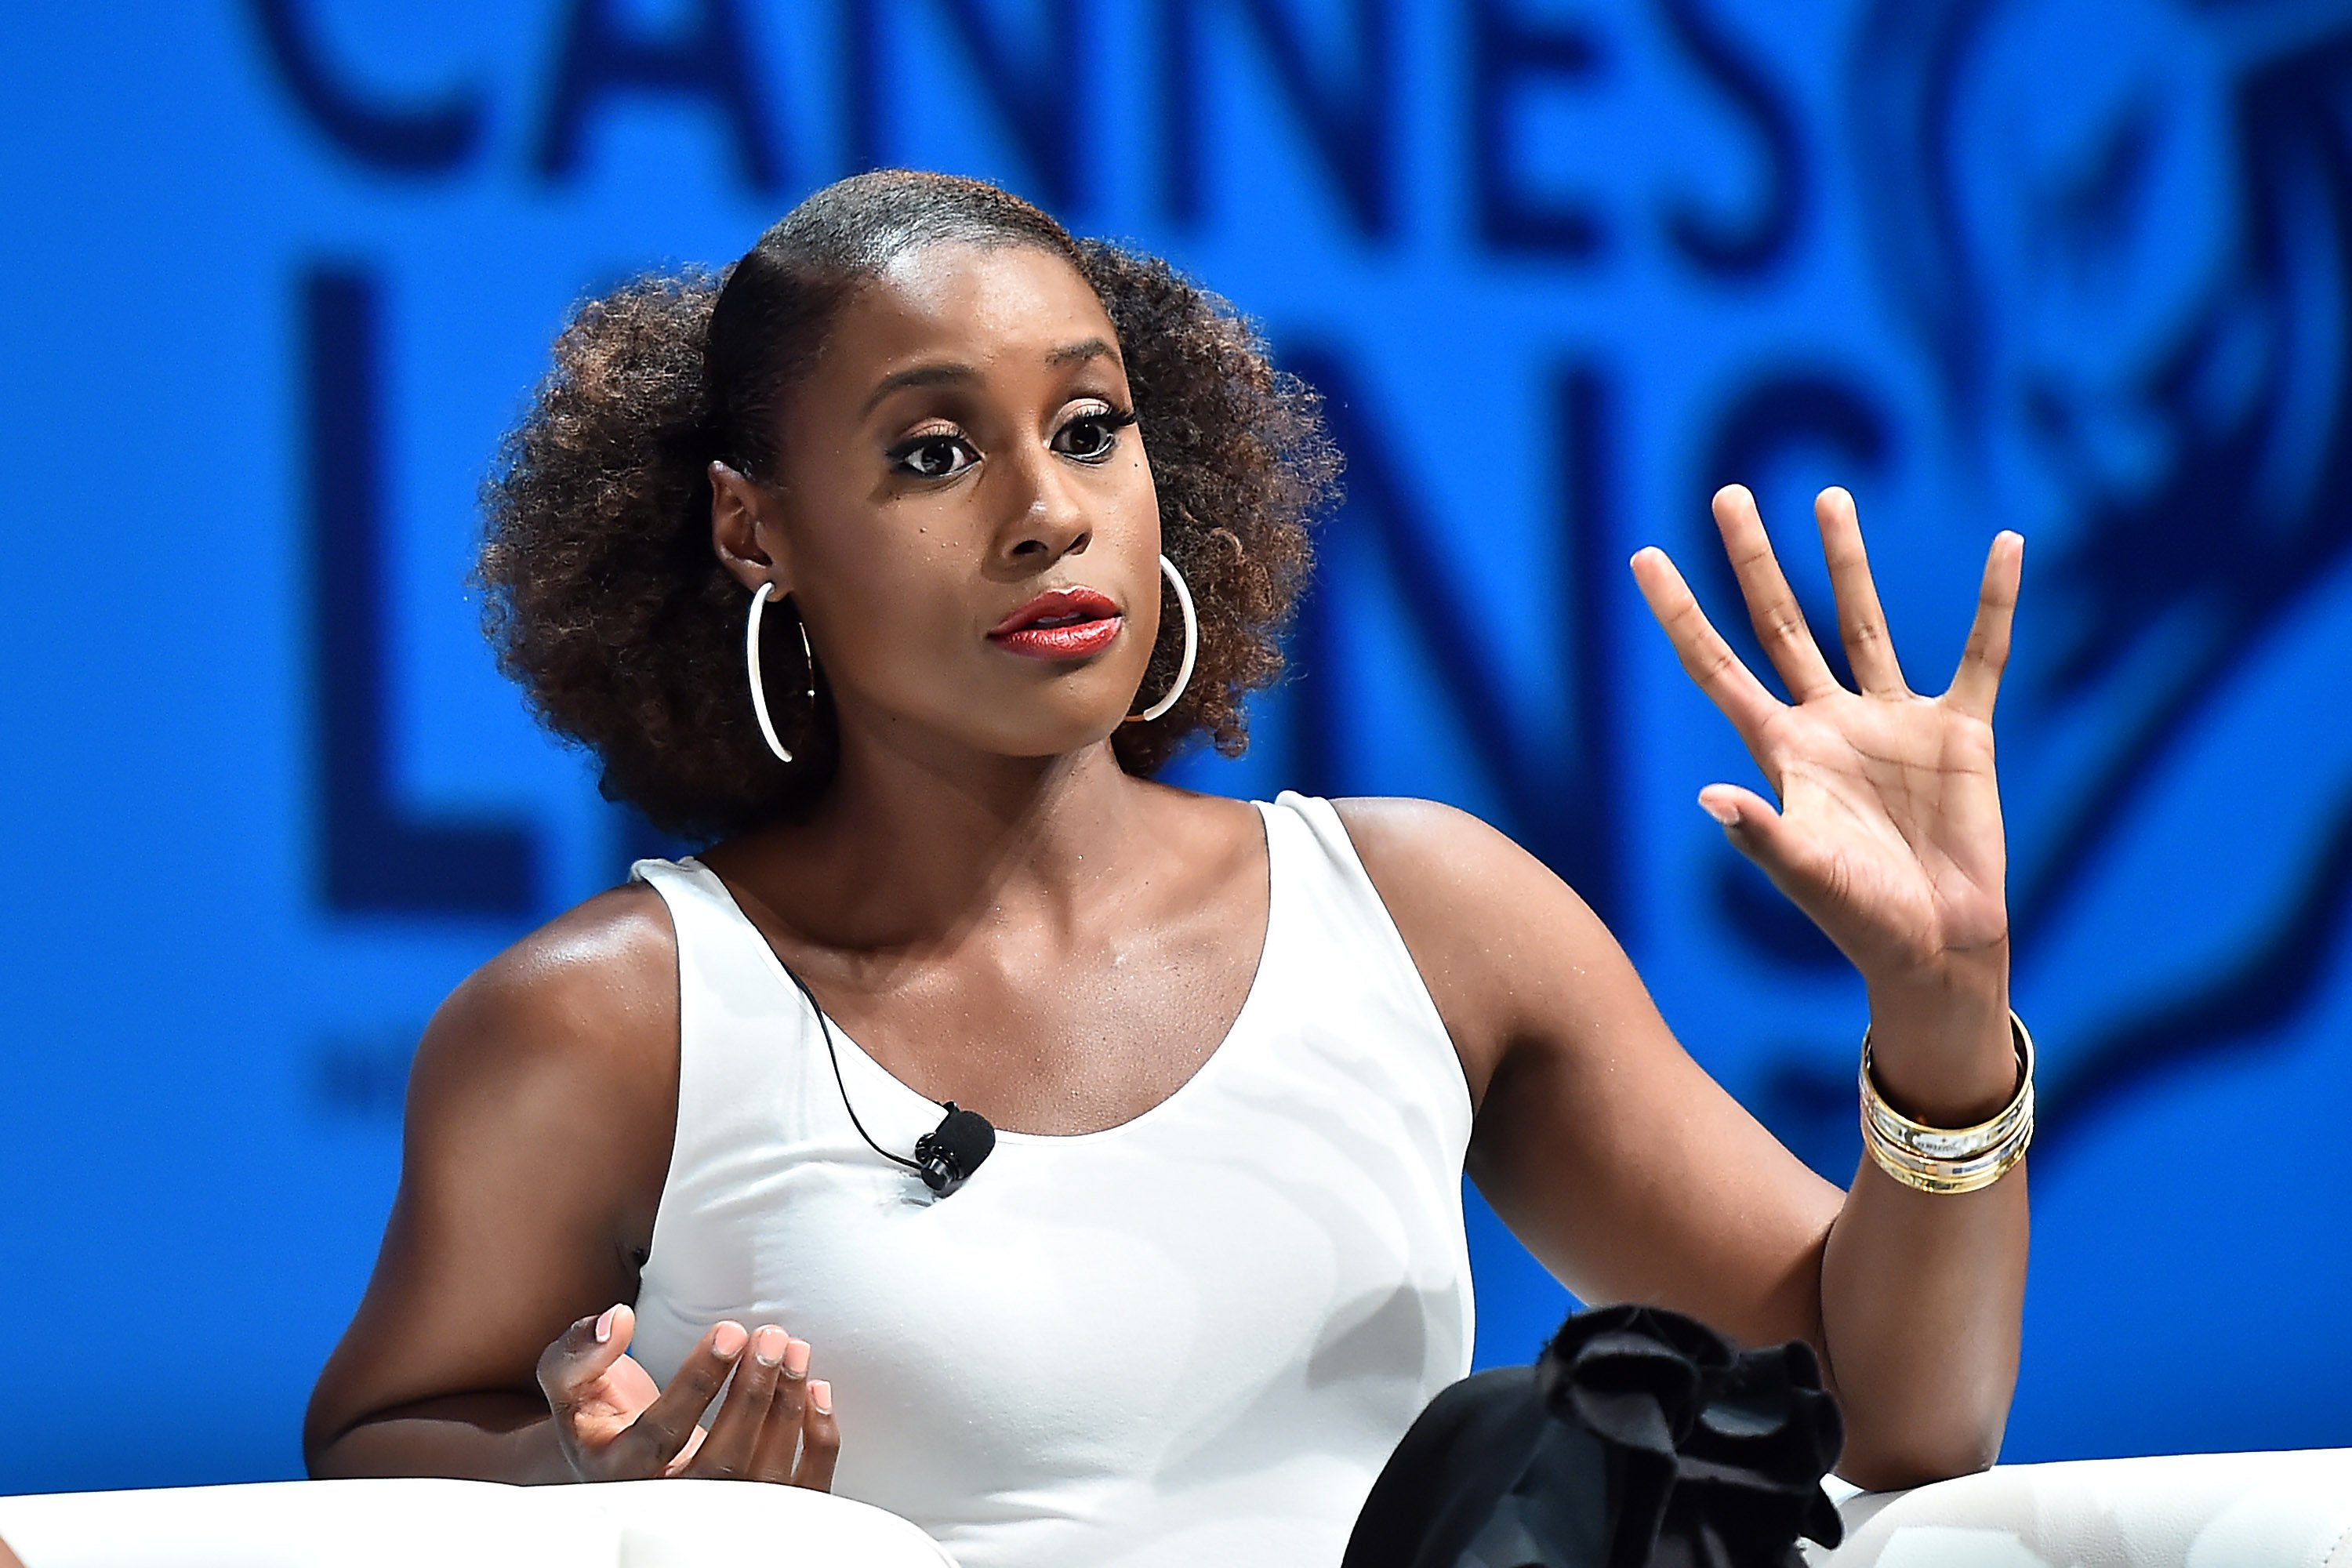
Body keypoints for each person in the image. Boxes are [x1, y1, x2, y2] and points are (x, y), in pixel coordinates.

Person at [303, 171, 2030, 1567]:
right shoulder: (611, 1017)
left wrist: (1944, 1024)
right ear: (758, 530)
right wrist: (591, 1491)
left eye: (1089, 426)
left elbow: (1892, 1413)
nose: (1047, 509)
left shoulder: (1431, 914)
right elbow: (386, 1440)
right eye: (931, 452)